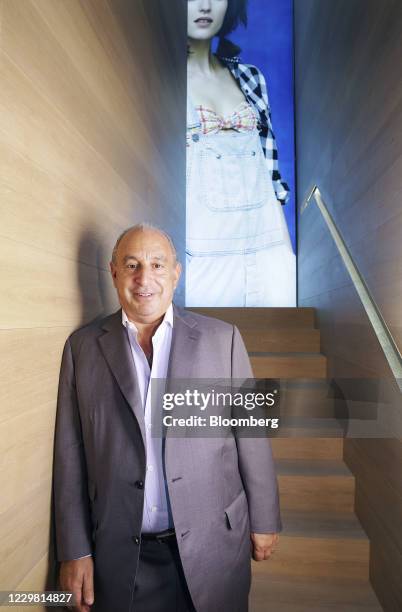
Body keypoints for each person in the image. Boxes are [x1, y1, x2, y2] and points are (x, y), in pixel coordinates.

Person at [53, 223, 282, 612]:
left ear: (176, 274)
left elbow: (251, 434)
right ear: (114, 273)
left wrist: (265, 517)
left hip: (214, 545)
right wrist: (74, 549)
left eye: (158, 265)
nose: (145, 278)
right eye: (132, 265)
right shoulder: (82, 348)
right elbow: (70, 454)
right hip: (121, 556)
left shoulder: (222, 339)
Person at [186, 0, 296, 307]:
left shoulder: (251, 78)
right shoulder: (160, 78)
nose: (205, 5)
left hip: (269, 252)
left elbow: (272, 176)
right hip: (202, 261)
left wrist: (287, 260)